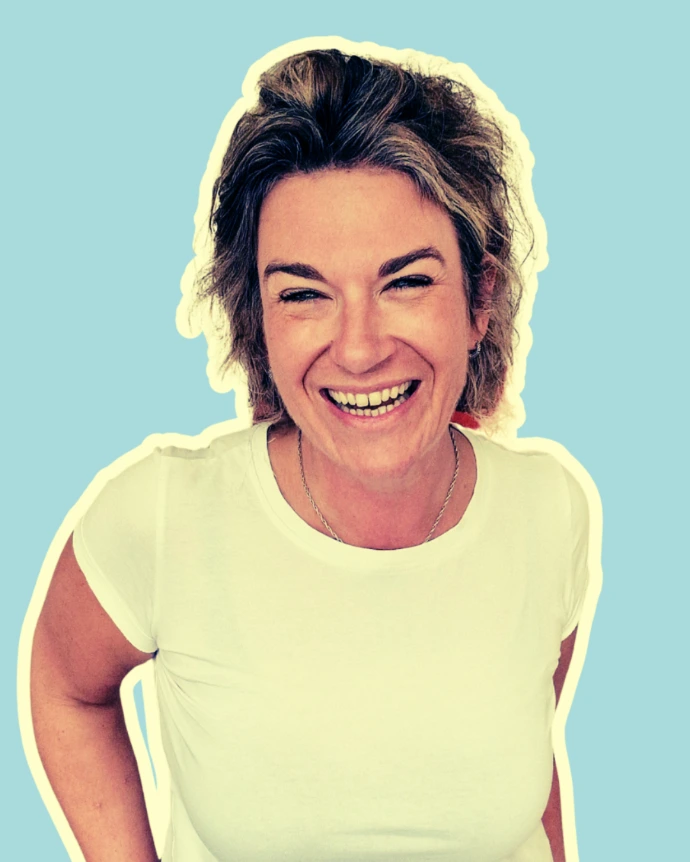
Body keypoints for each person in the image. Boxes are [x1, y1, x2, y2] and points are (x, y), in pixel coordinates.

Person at [26, 43, 601, 862]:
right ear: (258, 322)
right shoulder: (162, 518)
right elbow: (64, 687)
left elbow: (528, 778)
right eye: (302, 294)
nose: (359, 349)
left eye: (406, 282)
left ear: (479, 300)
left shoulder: (552, 509)